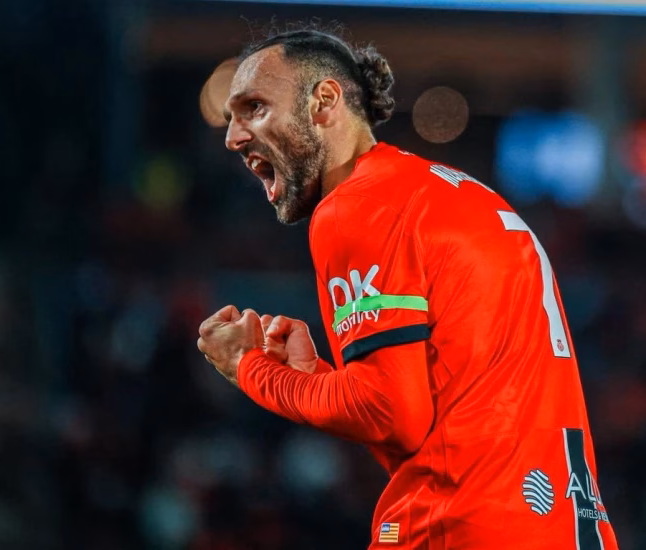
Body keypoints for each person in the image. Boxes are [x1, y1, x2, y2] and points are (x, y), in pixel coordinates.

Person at [197, 27, 619, 550]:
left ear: (323, 101)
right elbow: (431, 420)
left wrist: (250, 368)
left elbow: (389, 414)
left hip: (458, 527)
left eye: (255, 107)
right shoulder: (456, 193)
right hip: (564, 526)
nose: (233, 137)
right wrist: (318, 379)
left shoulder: (355, 208)